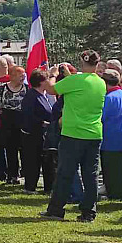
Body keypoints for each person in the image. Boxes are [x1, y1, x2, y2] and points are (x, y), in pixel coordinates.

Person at [41, 50, 106, 222]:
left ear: (82, 62)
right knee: (91, 175)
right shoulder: (100, 83)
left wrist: (53, 74)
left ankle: (56, 210)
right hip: (94, 134)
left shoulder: (74, 80)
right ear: (97, 64)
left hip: (73, 133)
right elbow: (80, 86)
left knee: (65, 173)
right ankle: (89, 212)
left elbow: (50, 89)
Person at [99, 69, 122, 201]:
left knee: (113, 170)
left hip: (112, 139)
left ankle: (116, 195)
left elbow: (101, 116)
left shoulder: (109, 98)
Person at [0, 66, 27, 185]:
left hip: (22, 122)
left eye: (24, 74)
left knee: (25, 150)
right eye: (20, 75)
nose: (23, 77)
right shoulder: (0, 89)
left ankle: (26, 174)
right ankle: (12, 175)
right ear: (12, 76)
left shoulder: (27, 89)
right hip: (7, 123)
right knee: (10, 150)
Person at [20, 69, 54, 193]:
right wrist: (42, 122)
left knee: (47, 161)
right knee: (33, 161)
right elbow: (28, 115)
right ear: (41, 82)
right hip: (33, 134)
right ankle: (30, 187)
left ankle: (49, 187)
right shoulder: (31, 96)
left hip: (43, 134)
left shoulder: (44, 95)